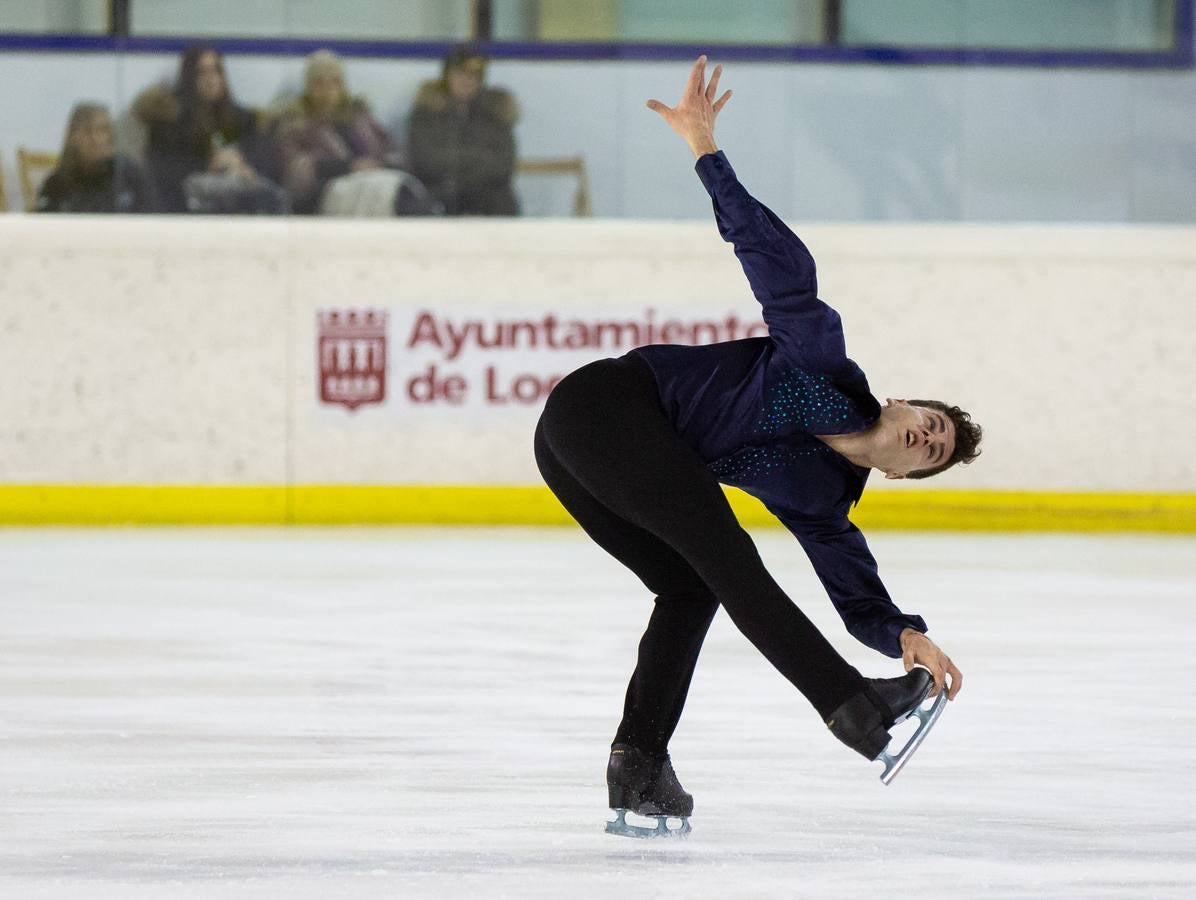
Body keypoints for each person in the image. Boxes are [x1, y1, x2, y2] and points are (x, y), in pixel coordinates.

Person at [534, 57, 981, 837]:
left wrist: (905, 635)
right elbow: (779, 270)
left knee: (691, 585)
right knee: (725, 554)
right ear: (904, 402)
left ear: (908, 473)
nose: (926, 437)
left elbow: (855, 592)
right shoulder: (821, 360)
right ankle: (856, 709)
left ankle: (638, 763)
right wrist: (707, 151)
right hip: (598, 408)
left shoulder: (824, 500)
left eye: (932, 452)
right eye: (933, 423)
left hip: (597, 458)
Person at [275, 50, 435, 216]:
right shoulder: (298, 124)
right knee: (391, 197)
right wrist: (349, 167)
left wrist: (377, 164)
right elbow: (296, 170)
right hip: (332, 190)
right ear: (309, 86)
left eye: (334, 82)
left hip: (377, 178)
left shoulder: (360, 117)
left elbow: (393, 151)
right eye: (319, 83)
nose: (328, 89)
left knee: (405, 189)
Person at [134, 45, 286, 214]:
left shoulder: (240, 119)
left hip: (237, 198)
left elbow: (262, 158)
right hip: (188, 205)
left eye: (216, 71)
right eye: (202, 72)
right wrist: (208, 164)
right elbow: (163, 172)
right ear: (189, 77)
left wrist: (244, 165)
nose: (211, 79)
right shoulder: (170, 122)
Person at [408, 45, 519, 216]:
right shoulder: (426, 113)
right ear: (447, 77)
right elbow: (424, 161)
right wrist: (476, 158)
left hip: (488, 196)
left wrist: (459, 163)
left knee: (503, 202)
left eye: (473, 75)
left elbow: (503, 165)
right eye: (460, 74)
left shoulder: (495, 113)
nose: (466, 80)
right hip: (441, 193)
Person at [37, 103, 156, 214]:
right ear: (72, 137)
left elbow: (152, 218)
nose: (95, 139)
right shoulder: (56, 186)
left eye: (102, 130)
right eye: (87, 131)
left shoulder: (128, 176)